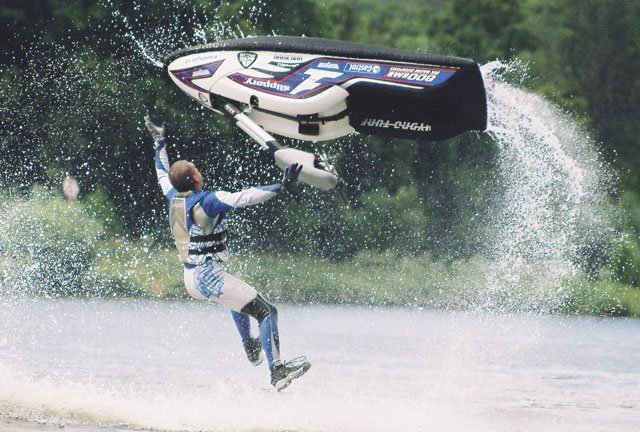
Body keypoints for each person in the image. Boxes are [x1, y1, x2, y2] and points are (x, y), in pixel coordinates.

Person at [145, 115, 310, 391]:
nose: (199, 170)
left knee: (237, 299)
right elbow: (243, 197)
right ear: (195, 178)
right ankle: (278, 371)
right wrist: (280, 187)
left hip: (191, 278)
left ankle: (251, 347)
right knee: (267, 312)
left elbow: (162, 171)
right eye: (196, 169)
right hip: (208, 277)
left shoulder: (172, 195)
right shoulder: (209, 201)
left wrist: (159, 141)